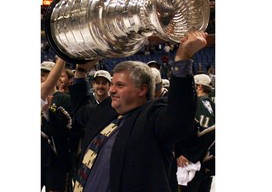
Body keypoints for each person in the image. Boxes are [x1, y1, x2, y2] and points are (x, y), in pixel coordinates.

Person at [69, 30, 208, 192]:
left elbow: (179, 120)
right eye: (112, 84)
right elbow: (80, 111)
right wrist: (80, 71)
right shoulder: (106, 111)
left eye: (120, 85)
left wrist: (183, 58)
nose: (112, 90)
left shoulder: (151, 116)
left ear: (142, 90)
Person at [176, 73, 215, 192]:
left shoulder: (197, 104)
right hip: (209, 162)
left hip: (194, 163)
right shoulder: (213, 105)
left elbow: (205, 133)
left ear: (199, 87)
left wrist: (189, 155)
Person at [41, 60, 74, 192]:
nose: (41, 77)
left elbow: (68, 128)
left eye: (45, 74)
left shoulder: (64, 99)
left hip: (56, 160)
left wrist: (48, 114)